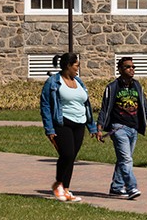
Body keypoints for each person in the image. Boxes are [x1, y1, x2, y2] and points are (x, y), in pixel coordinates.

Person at [39, 52, 97, 202]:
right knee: (67, 154)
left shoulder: (79, 82)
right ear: (67, 66)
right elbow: (45, 105)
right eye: (76, 65)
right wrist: (49, 129)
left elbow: (86, 105)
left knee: (72, 158)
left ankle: (65, 189)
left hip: (80, 123)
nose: (78, 68)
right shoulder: (53, 82)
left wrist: (92, 127)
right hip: (62, 123)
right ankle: (58, 184)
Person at [96, 56, 147, 199]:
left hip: (133, 128)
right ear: (120, 69)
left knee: (124, 159)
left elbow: (144, 104)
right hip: (118, 128)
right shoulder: (112, 87)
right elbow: (104, 108)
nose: (132, 69)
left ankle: (116, 187)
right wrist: (99, 127)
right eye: (128, 67)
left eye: (133, 67)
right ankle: (131, 187)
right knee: (126, 159)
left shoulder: (137, 86)